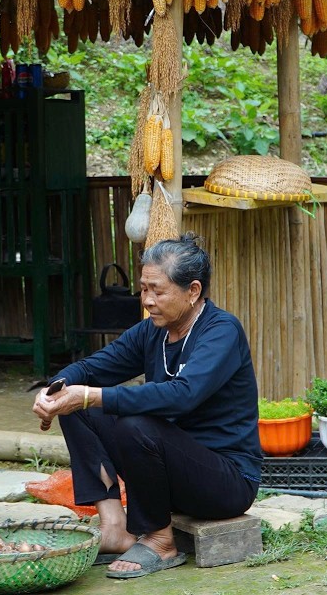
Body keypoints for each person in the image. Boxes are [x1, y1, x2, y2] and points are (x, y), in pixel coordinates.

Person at [32, 235, 261, 579]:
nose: (148, 301)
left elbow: (183, 394)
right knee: (77, 407)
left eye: (158, 291)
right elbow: (94, 367)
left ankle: (159, 540)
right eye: (143, 289)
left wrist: (95, 395)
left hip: (225, 483)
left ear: (193, 291)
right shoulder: (152, 331)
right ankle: (113, 526)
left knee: (133, 422)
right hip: (170, 476)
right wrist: (56, 389)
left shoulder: (221, 331)